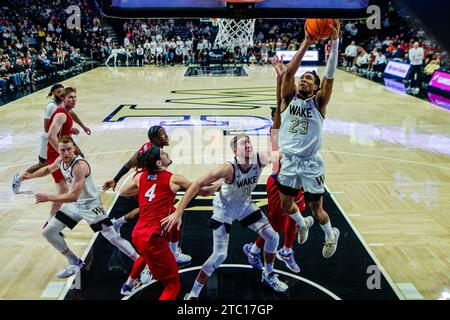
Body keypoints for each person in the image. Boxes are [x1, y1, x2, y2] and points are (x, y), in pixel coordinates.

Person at [162, 135, 289, 300]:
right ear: (235, 151)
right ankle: (193, 293)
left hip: (245, 206)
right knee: (220, 255)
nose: (248, 145)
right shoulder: (228, 168)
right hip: (224, 210)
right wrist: (179, 211)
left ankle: (269, 274)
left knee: (272, 236)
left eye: (249, 141)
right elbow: (196, 184)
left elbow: (281, 154)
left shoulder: (260, 158)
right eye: (244, 143)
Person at [18, 136, 139, 278]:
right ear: (59, 150)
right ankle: (74, 261)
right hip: (76, 205)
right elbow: (48, 169)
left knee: (112, 237)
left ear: (74, 148)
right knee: (49, 232)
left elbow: (73, 195)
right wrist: (30, 176)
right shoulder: (60, 160)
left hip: (90, 205)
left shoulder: (80, 166)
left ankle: (141, 262)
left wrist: (48, 197)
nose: (66, 153)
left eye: (69, 149)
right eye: (63, 150)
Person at [276, 20, 340, 259]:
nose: (303, 80)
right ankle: (302, 223)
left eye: (309, 79)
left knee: (318, 209)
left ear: (316, 87)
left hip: (311, 163)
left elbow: (330, 77)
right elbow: (289, 73)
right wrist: (307, 42)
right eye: (302, 78)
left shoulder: (319, 102)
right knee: (285, 207)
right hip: (289, 161)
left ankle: (330, 236)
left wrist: (334, 42)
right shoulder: (287, 99)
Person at [119, 147, 219, 299]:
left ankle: (129, 283)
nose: (167, 154)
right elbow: (204, 191)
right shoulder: (173, 178)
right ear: (159, 162)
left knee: (147, 256)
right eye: (163, 154)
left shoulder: (140, 177)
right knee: (173, 285)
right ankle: (164, 259)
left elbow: (123, 192)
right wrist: (222, 183)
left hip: (138, 234)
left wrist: (144, 191)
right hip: (153, 237)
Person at [243, 56, 311, 274]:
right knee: (276, 226)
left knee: (294, 218)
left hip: (297, 178)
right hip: (279, 182)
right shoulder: (278, 133)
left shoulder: (301, 124)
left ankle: (287, 251)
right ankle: (254, 250)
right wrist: (280, 78)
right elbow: (281, 101)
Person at [102, 125, 191, 265]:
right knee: (169, 214)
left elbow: (129, 163)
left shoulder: (148, 147)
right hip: (146, 183)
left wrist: (115, 179)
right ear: (155, 139)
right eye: (163, 134)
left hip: (145, 182)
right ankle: (169, 253)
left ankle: (117, 223)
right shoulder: (152, 151)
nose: (166, 135)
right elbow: (131, 164)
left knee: (146, 212)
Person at [12, 84, 91, 191]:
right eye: (58, 92)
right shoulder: (51, 107)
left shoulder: (64, 105)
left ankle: (80, 184)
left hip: (63, 139)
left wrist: (83, 126)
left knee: (79, 156)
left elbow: (72, 114)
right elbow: (47, 128)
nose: (60, 93)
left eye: (62, 91)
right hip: (49, 140)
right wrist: (69, 131)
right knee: (43, 165)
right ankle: (20, 177)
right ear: (53, 93)